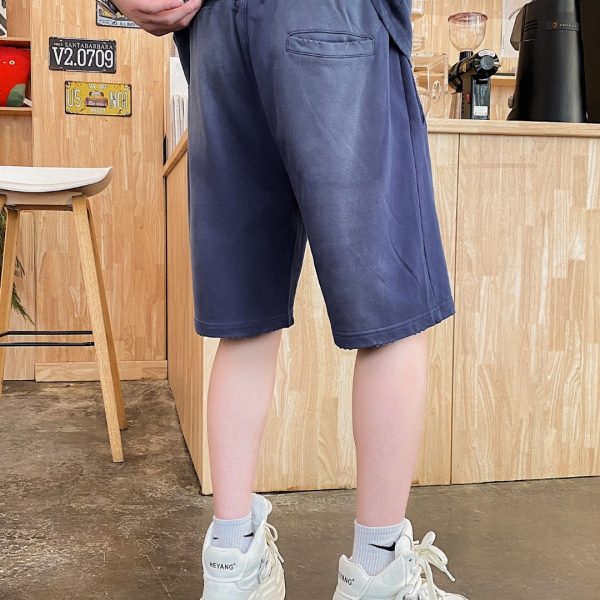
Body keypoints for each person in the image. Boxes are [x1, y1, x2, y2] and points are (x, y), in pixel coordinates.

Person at [116, 1, 468, 598]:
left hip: (218, 35)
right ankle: (378, 575)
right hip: (331, 20)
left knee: (245, 320)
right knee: (391, 313)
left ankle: (233, 568)